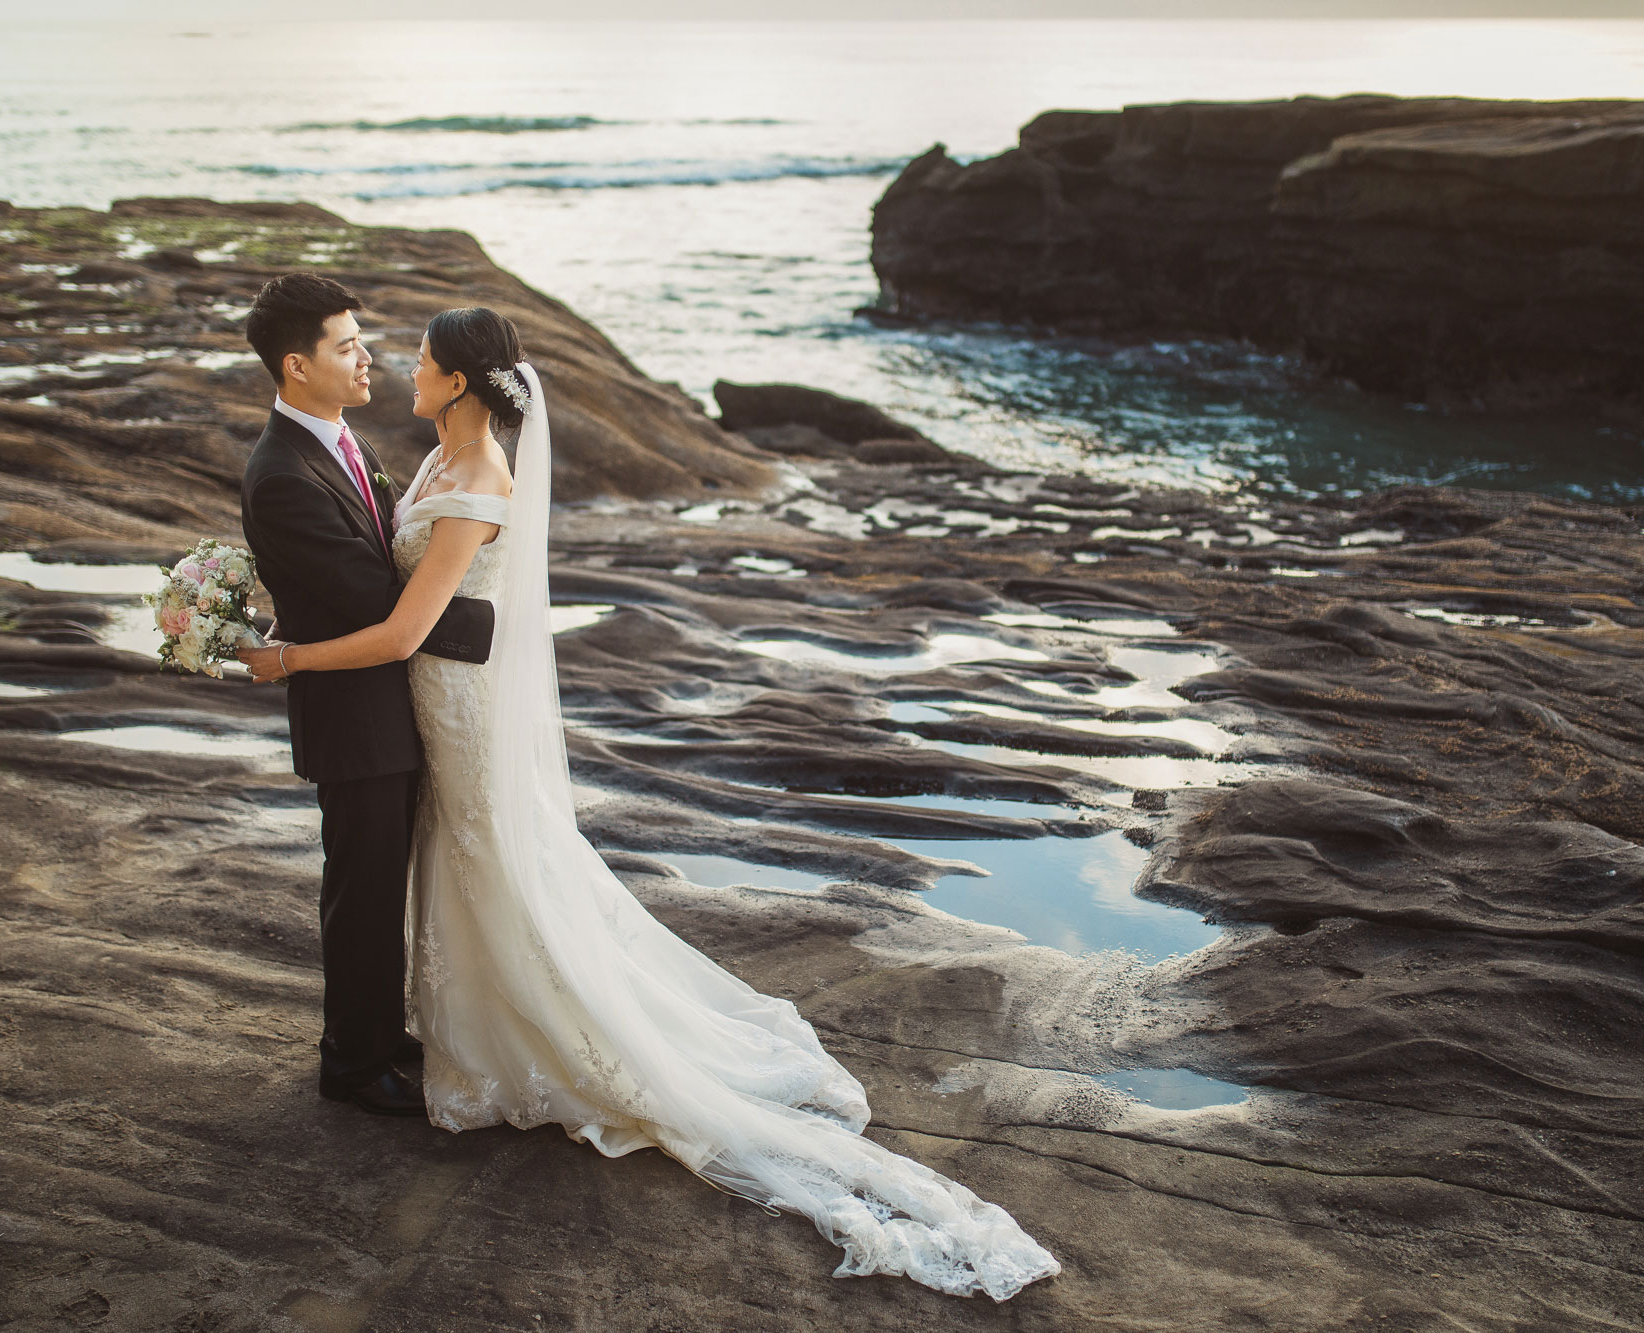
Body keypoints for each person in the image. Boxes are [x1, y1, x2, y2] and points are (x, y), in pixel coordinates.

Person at [237, 307, 1059, 1300]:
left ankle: (538, 1038)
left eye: (420, 359)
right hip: (423, 708)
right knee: (455, 870)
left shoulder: (481, 477)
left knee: (491, 861)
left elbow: (408, 623)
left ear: (459, 383)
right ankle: (452, 1036)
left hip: (446, 701)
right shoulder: (415, 459)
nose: (397, 365)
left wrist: (284, 659)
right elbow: (361, 569)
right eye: (369, 348)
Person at [238, 273, 425, 1117]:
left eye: (362, 341)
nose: (366, 358)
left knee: (386, 881)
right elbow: (371, 594)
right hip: (356, 714)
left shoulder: (344, 444)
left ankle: (381, 1030)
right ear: (295, 365)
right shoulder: (282, 475)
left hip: (389, 701)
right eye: (345, 347)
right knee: (363, 891)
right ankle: (352, 1063)